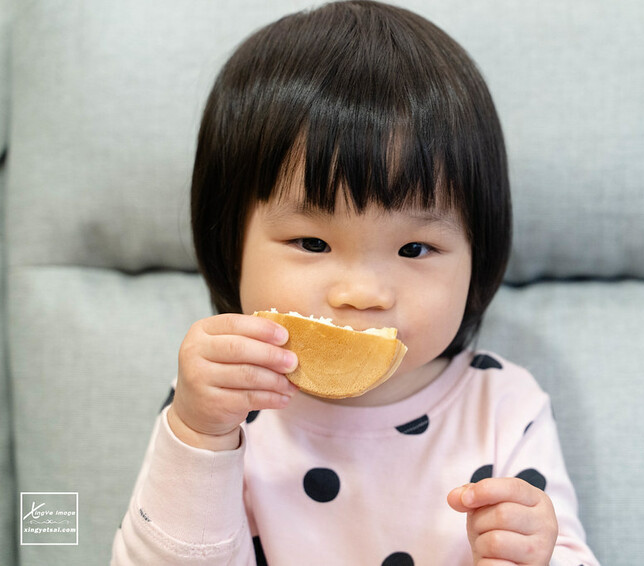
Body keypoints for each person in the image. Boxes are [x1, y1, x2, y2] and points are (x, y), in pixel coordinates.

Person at [112, 1, 599, 564]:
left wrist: (535, 556)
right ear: (229, 247)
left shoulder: (504, 406)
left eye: (414, 249)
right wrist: (199, 437)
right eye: (312, 243)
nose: (363, 294)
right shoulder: (220, 405)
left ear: (479, 257)